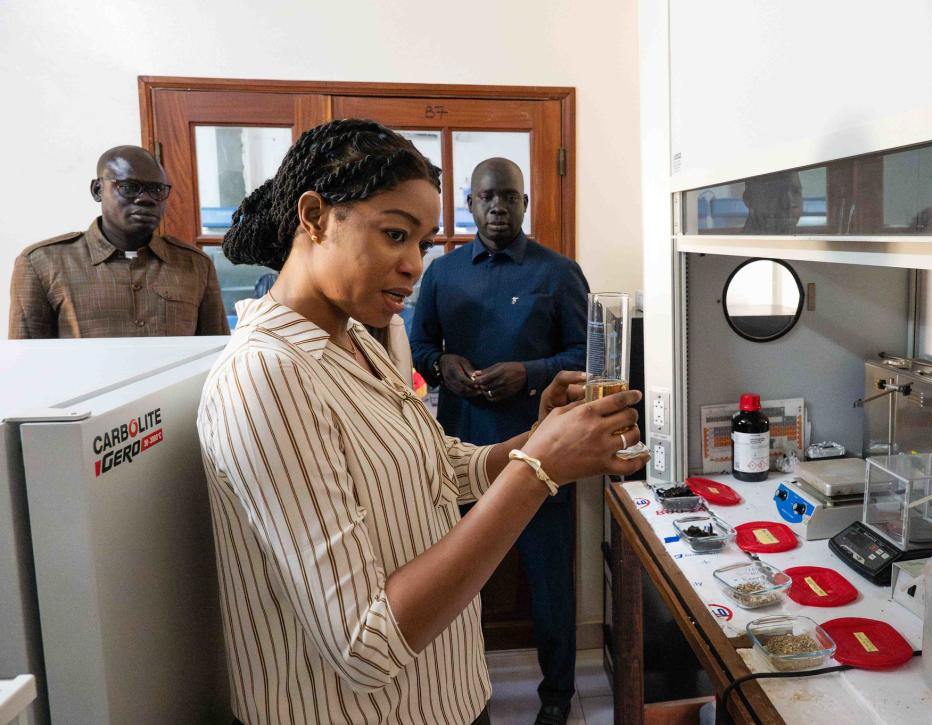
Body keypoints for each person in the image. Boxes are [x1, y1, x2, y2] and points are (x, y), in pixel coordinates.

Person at [197, 119, 646, 725]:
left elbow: (437, 468)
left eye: (423, 243)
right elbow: (366, 644)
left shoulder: (358, 340)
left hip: (445, 695)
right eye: (393, 234)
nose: (413, 264)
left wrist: (534, 439)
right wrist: (537, 470)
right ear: (314, 217)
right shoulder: (267, 377)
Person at [410, 158, 589, 725]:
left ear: (525, 203)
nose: (498, 207)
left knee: (549, 582)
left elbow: (589, 355)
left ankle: (558, 698)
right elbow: (418, 351)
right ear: (469, 204)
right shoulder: (441, 273)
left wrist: (531, 373)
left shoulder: (558, 273)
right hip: (460, 453)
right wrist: (443, 366)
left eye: (509, 197)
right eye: (487, 197)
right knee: (459, 580)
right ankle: (465, 692)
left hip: (543, 452)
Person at [9, 145, 228, 338]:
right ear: (97, 190)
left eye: (157, 190)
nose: (146, 199)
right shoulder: (43, 263)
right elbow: (29, 367)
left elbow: (219, 358)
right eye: (129, 187)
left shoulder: (195, 265)